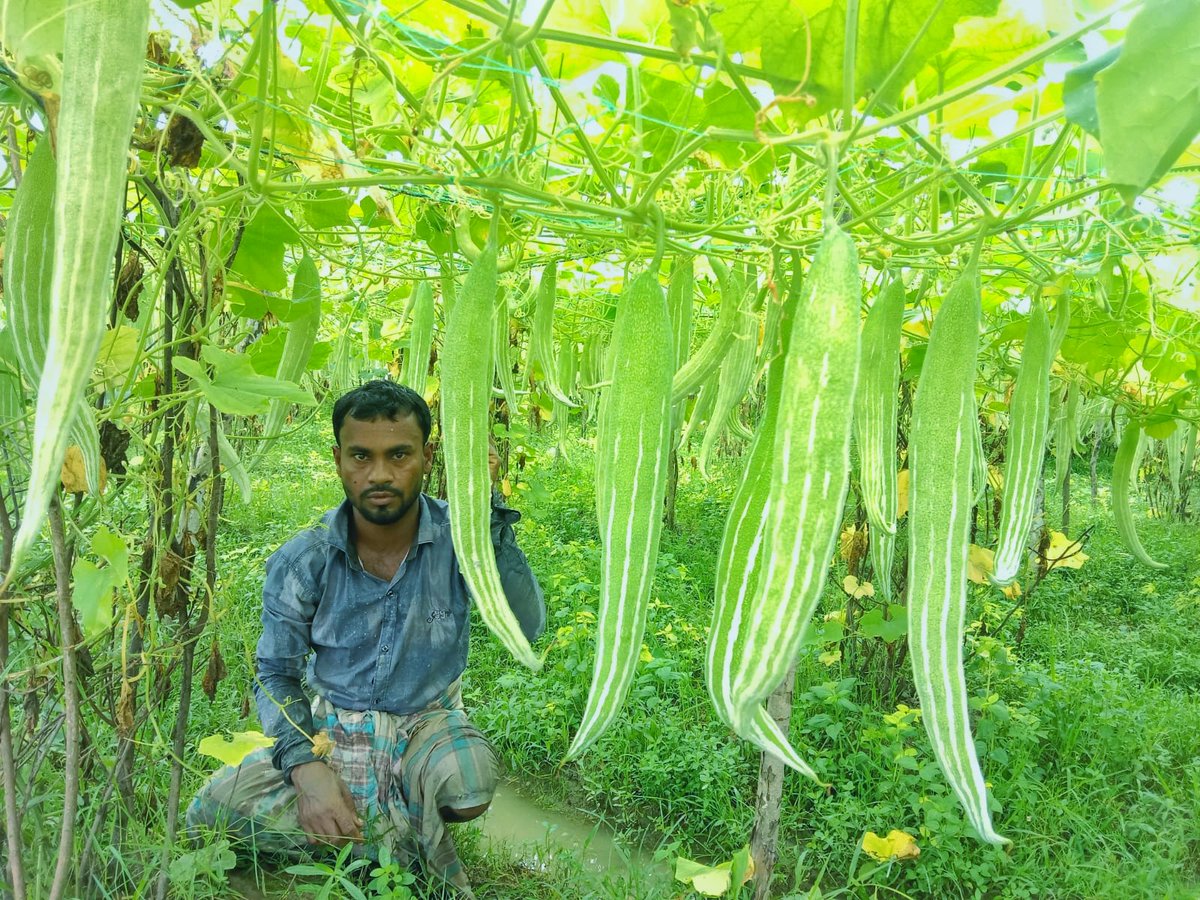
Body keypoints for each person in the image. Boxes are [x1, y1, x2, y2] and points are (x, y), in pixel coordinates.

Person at [186, 380, 545, 895]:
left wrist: (484, 515)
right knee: (214, 812)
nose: (379, 474)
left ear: (426, 457)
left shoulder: (460, 540)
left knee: (466, 779)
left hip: (425, 722)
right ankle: (372, 828)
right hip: (333, 732)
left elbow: (526, 625)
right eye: (361, 456)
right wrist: (307, 770)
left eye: (399, 454)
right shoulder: (305, 559)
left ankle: (384, 821)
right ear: (338, 460)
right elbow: (274, 674)